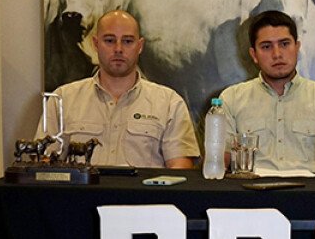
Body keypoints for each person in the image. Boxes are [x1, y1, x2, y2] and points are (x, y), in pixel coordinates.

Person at [37, 10, 199, 168]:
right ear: (95, 44)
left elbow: (180, 170)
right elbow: (44, 166)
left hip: (144, 188)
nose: (118, 49)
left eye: (127, 41)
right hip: (82, 188)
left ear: (140, 46)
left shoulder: (169, 103)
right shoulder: (62, 99)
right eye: (109, 40)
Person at [219, 10, 315, 173]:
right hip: (251, 187)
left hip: (312, 188)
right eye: (266, 47)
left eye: (284, 44)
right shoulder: (231, 98)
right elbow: (218, 165)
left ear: (297, 48)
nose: (277, 54)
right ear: (254, 55)